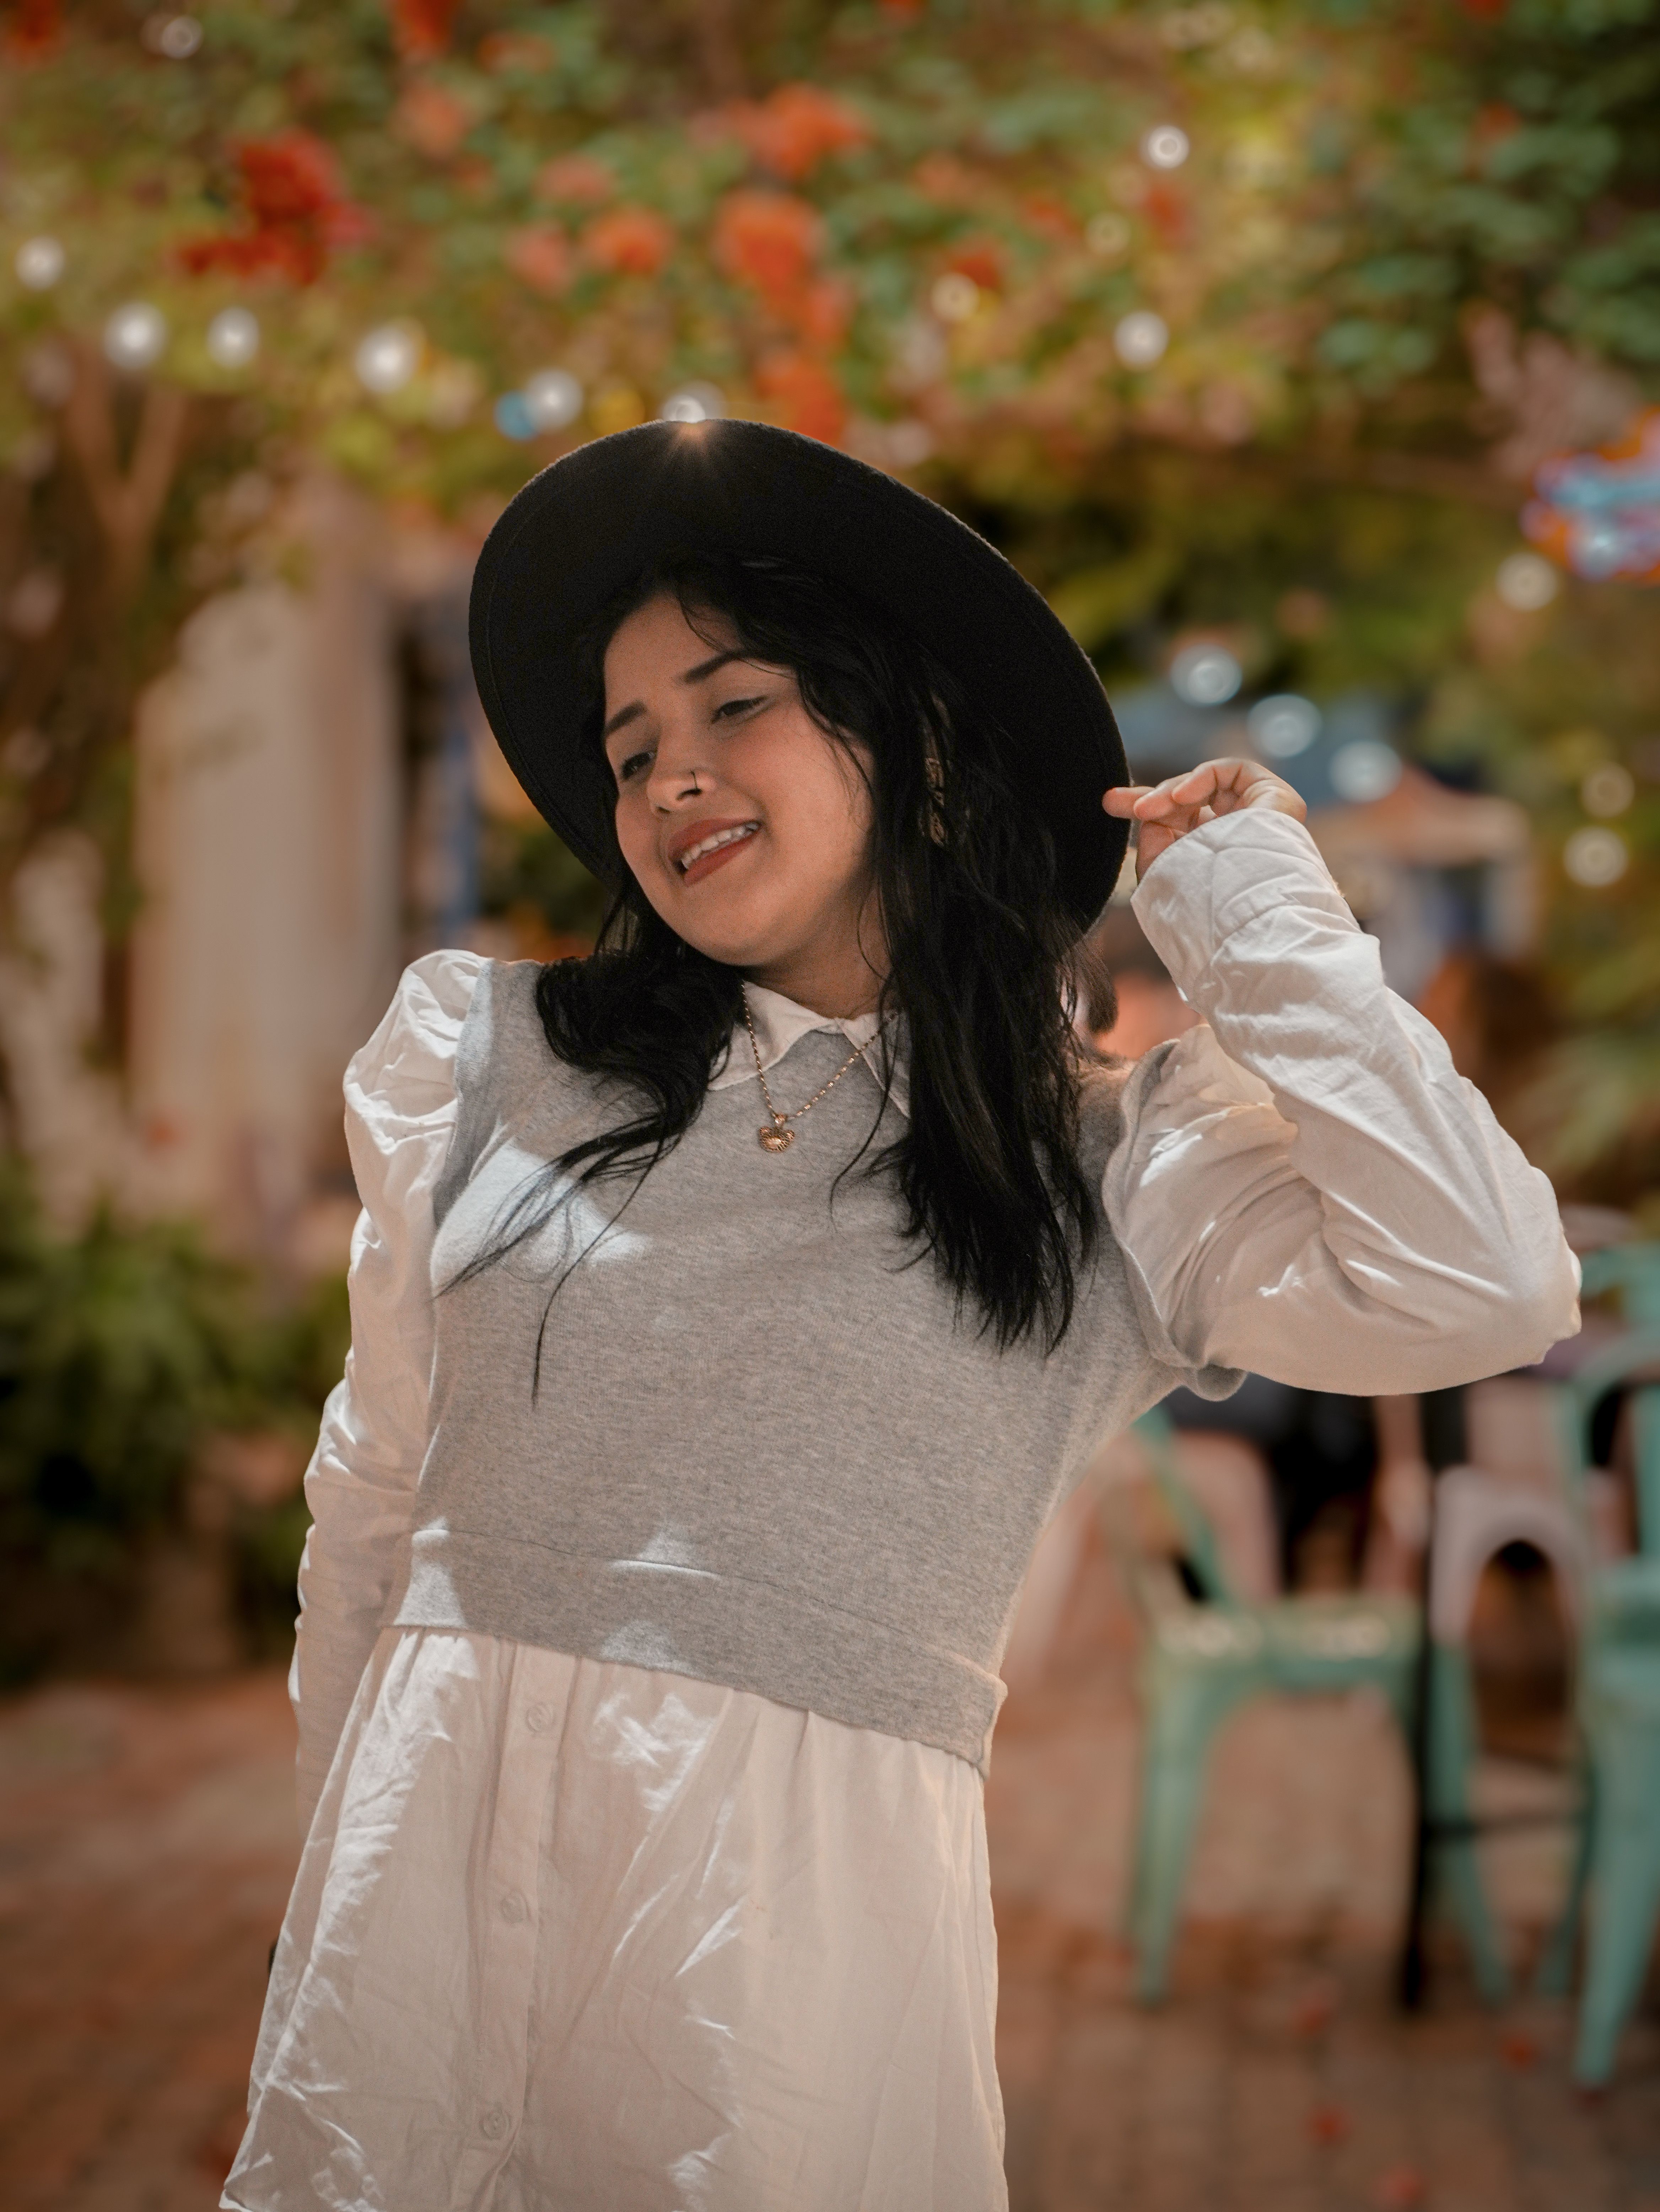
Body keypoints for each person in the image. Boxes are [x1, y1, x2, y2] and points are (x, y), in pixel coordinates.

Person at [224, 421, 1577, 2212]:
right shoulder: (487, 1060)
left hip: (781, 1987)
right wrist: (339, 1881)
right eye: (630, 750)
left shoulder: (1103, 1162)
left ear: (909, 736)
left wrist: (1255, 914)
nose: (673, 777)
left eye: (735, 704)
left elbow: (1490, 1277)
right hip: (417, 1945)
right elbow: (374, 1509)